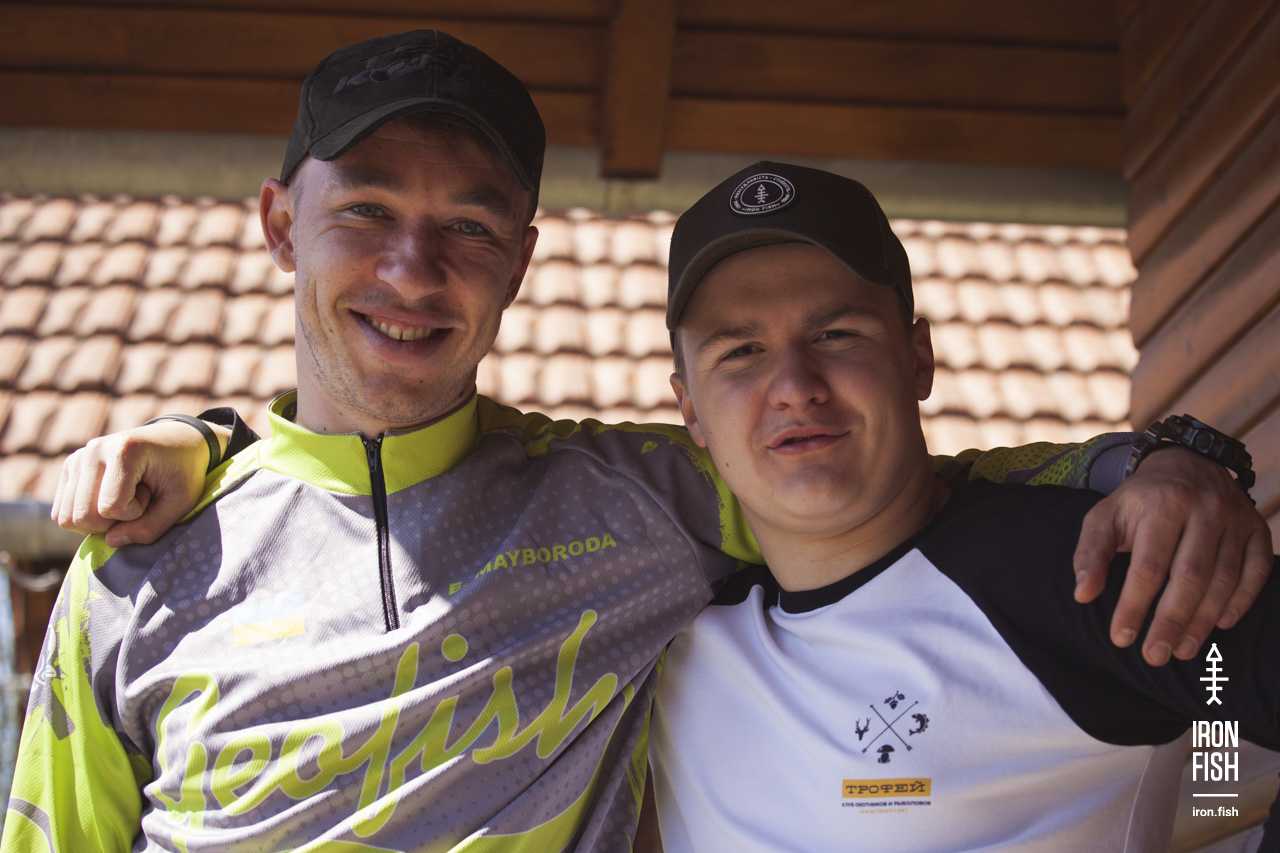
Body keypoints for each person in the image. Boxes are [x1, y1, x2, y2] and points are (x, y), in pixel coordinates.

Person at [6, 29, 1270, 853]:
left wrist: (1166, 458)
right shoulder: (133, 565)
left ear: (520, 262)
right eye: (368, 212)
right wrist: (211, 440)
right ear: (282, 225)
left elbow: (901, 488)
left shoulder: (632, 501)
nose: (412, 269)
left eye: (469, 228)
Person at [648, 161, 1280, 851]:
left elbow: (1224, 744)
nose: (795, 386)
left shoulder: (1075, 569)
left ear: (918, 358)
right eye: (742, 351)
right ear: (690, 409)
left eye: (836, 335)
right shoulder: (662, 642)